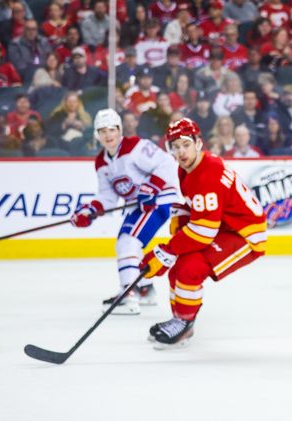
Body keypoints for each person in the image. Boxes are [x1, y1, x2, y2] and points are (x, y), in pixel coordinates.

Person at [140, 118, 267, 348]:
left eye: (186, 144)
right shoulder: (185, 169)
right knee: (177, 267)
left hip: (244, 233)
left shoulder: (208, 172)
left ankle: (185, 324)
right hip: (222, 226)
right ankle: (178, 319)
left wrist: (166, 251)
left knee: (190, 269)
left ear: (198, 144)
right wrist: (174, 244)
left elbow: (203, 231)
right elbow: (192, 208)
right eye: (175, 146)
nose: (181, 151)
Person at [71, 109, 180, 315]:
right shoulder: (101, 162)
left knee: (128, 242)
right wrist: (90, 210)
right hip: (138, 206)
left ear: (120, 130)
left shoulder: (135, 146)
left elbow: (167, 164)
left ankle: (128, 293)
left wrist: (152, 187)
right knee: (127, 243)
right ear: (97, 134)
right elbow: (108, 196)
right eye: (102, 131)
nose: (107, 135)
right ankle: (145, 289)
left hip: (159, 200)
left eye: (112, 129)